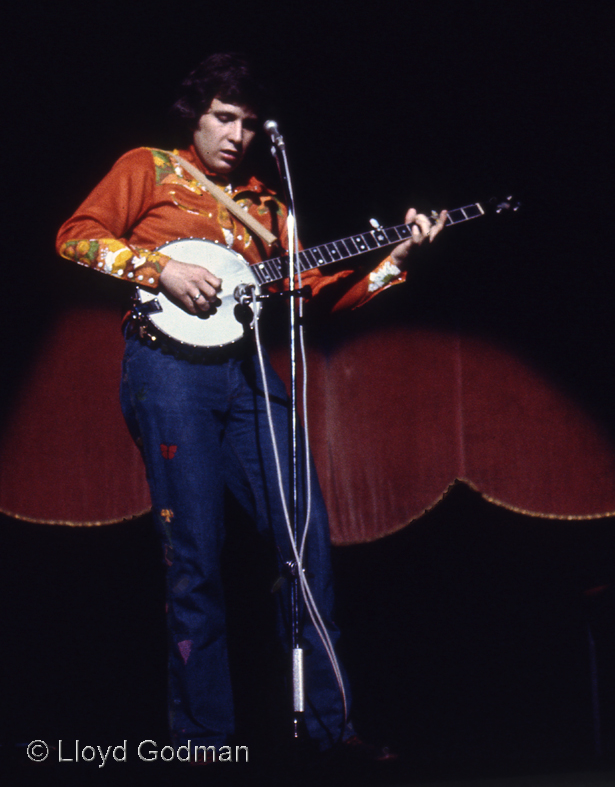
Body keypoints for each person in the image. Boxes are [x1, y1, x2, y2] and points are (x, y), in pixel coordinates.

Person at [56, 53, 445, 759]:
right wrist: (160, 268)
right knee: (195, 556)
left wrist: (397, 258)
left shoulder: (269, 205)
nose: (236, 135)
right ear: (196, 118)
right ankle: (204, 741)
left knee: (304, 547)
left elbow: (321, 296)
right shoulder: (147, 167)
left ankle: (331, 730)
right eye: (222, 118)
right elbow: (76, 237)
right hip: (167, 369)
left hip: (248, 375)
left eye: (248, 124)